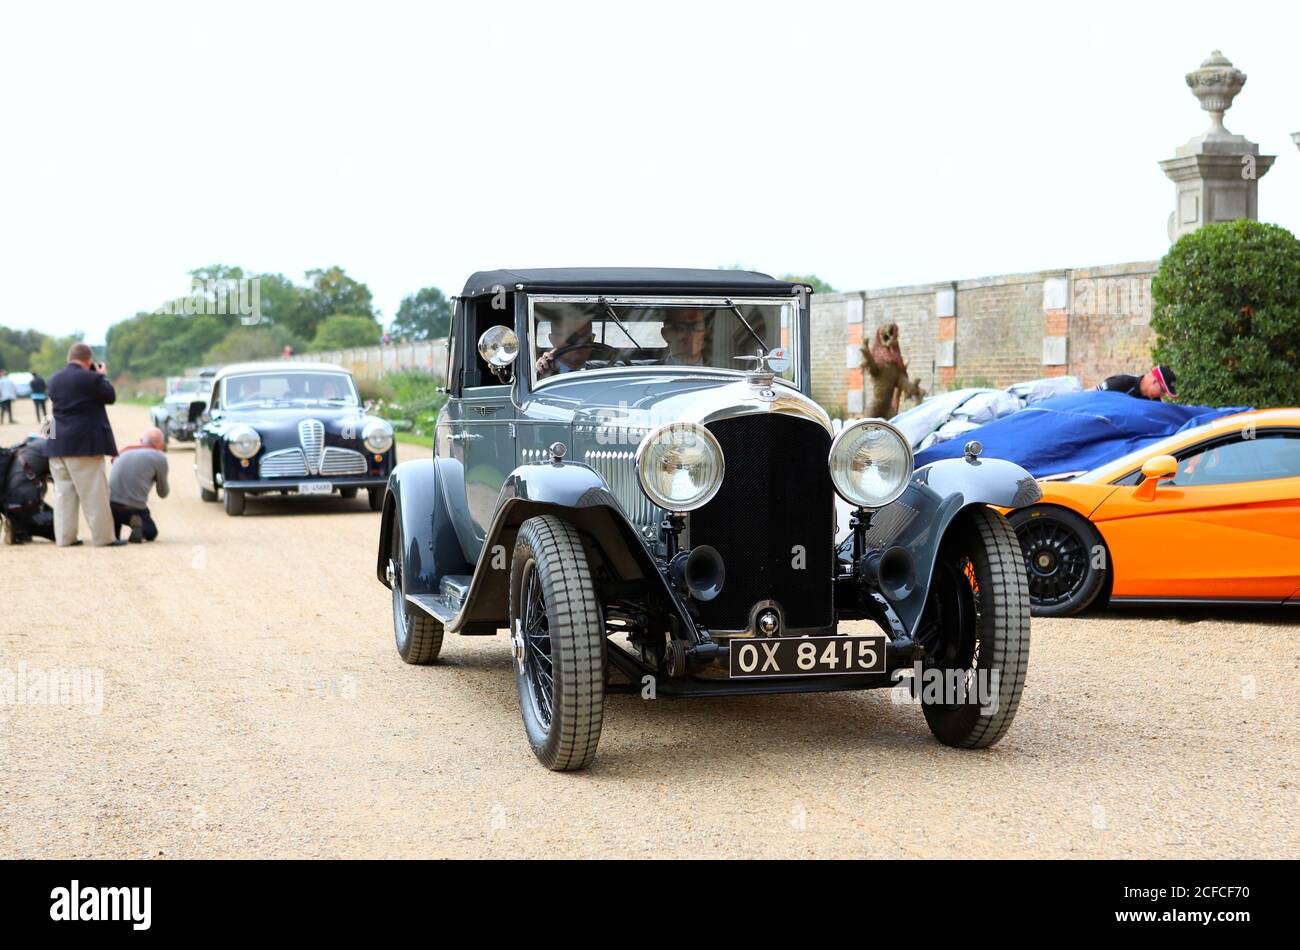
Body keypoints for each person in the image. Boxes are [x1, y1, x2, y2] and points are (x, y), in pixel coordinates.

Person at [45, 342, 126, 547]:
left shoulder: (53, 379)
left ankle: (65, 538)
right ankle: (103, 538)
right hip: (83, 445)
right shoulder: (91, 378)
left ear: (68, 358)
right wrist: (101, 375)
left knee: (63, 495)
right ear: (89, 360)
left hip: (56, 443)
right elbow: (110, 396)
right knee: (94, 493)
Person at [109, 427, 169, 543]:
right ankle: (137, 523)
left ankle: (114, 533)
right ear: (161, 445)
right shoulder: (159, 457)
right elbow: (163, 493)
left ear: (141, 441)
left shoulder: (123, 451)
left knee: (115, 523)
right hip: (133, 507)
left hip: (110, 505)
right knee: (151, 532)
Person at [1, 436, 55, 544]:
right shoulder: (50, 448)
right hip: (25, 506)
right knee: (62, 528)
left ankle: (18, 528)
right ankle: (21, 527)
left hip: (7, 506)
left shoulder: (23, 448)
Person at [1096, 364, 1177, 401]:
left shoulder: (1154, 402)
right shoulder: (1122, 383)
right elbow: (1092, 395)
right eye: (1162, 391)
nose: (1162, 395)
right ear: (1154, 382)